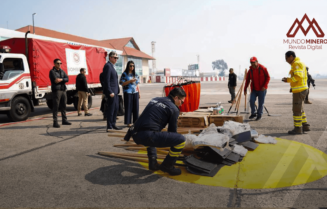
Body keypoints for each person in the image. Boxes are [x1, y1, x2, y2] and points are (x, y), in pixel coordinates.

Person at [124, 87, 186, 176]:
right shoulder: (174, 109)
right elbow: (172, 132)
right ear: (176, 98)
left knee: (153, 132)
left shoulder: (155, 99)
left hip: (135, 133)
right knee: (181, 140)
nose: (181, 104)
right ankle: (168, 166)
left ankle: (153, 162)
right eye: (182, 101)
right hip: (147, 136)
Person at [282, 51, 310, 135]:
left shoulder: (296, 64)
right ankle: (305, 126)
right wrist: (292, 87)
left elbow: (297, 77)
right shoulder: (298, 63)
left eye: (286, 58)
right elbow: (299, 78)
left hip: (299, 90)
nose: (286, 60)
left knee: (296, 110)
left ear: (291, 56)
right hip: (301, 89)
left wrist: (288, 80)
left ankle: (298, 129)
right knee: (300, 109)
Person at [244, 57, 270, 121]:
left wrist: (265, 85)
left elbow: (268, 77)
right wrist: (245, 89)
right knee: (251, 101)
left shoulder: (263, 68)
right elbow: (247, 80)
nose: (253, 64)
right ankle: (253, 113)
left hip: (262, 89)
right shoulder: (250, 71)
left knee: (260, 103)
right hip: (254, 89)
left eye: (254, 62)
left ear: (257, 61)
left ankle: (259, 115)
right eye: (251, 62)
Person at [49, 58, 71, 128]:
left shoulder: (62, 71)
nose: (59, 65)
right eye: (58, 63)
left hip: (63, 90)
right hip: (57, 91)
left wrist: (61, 79)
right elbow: (55, 80)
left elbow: (67, 79)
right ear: (54, 64)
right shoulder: (52, 72)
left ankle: (64, 120)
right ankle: (55, 122)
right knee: (56, 107)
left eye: (60, 63)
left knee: (63, 106)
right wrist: (63, 80)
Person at [102, 51, 121, 131]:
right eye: (115, 57)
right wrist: (110, 91)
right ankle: (109, 126)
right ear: (110, 57)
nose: (116, 59)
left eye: (117, 58)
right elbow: (107, 80)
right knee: (111, 109)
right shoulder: (108, 66)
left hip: (115, 92)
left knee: (116, 108)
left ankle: (113, 124)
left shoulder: (112, 66)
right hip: (112, 92)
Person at [120, 61, 140, 127]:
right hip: (127, 92)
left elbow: (137, 84)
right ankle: (128, 122)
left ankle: (136, 122)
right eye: (130, 66)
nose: (132, 67)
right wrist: (129, 81)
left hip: (135, 92)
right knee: (128, 107)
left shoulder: (135, 74)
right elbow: (122, 84)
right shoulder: (124, 74)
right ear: (128, 66)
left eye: (133, 66)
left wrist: (139, 92)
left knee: (136, 108)